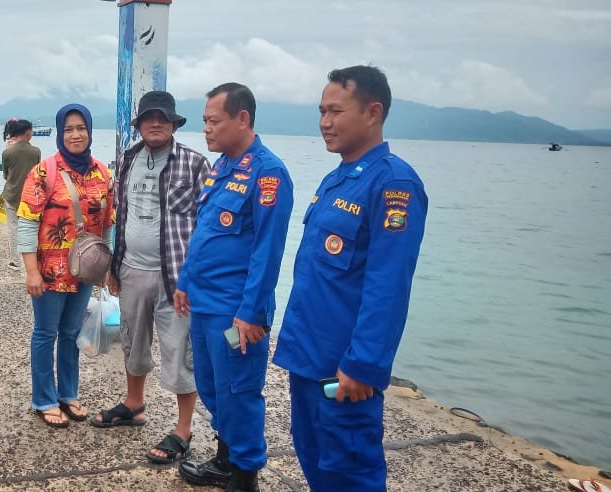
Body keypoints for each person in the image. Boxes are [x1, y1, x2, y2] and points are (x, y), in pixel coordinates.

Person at [272, 65, 428, 491]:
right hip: (308, 357)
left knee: (350, 473)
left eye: (335, 111)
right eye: (321, 111)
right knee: (315, 461)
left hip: (344, 368)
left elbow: (388, 285)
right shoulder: (337, 179)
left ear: (373, 112)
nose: (324, 122)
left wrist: (363, 365)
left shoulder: (394, 185)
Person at [174, 83, 294, 492]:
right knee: (210, 387)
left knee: (239, 392)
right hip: (204, 304)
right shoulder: (222, 167)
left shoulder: (268, 173)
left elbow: (268, 250)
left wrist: (251, 312)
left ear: (242, 119)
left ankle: (244, 476)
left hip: (235, 311)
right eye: (205, 121)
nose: (206, 129)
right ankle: (225, 460)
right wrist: (185, 282)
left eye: (213, 121)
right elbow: (204, 232)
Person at [90, 91, 210, 465]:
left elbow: (207, 225)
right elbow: (118, 215)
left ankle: (183, 428)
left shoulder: (195, 163)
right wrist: (113, 265)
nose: (155, 123)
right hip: (131, 270)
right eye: (148, 118)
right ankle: (133, 404)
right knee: (132, 342)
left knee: (180, 352)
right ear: (139, 124)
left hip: (176, 278)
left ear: (174, 124)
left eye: (163, 118)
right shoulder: (126, 161)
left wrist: (197, 277)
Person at [16, 104, 114, 428]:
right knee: (46, 333)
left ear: (90, 131)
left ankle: (68, 394)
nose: (75, 135)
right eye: (69, 129)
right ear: (60, 133)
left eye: (81, 128)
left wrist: (107, 265)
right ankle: (44, 398)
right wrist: (31, 271)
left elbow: (108, 223)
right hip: (49, 271)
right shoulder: (44, 172)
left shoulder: (102, 173)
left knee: (71, 333)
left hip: (85, 271)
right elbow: (27, 222)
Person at [1, 118, 41, 271]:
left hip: (12, 194)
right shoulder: (36, 151)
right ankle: (32, 260)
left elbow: (5, 175)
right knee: (31, 228)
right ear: (27, 133)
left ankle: (14, 261)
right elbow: (38, 173)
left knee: (13, 228)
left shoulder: (7, 152)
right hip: (30, 195)